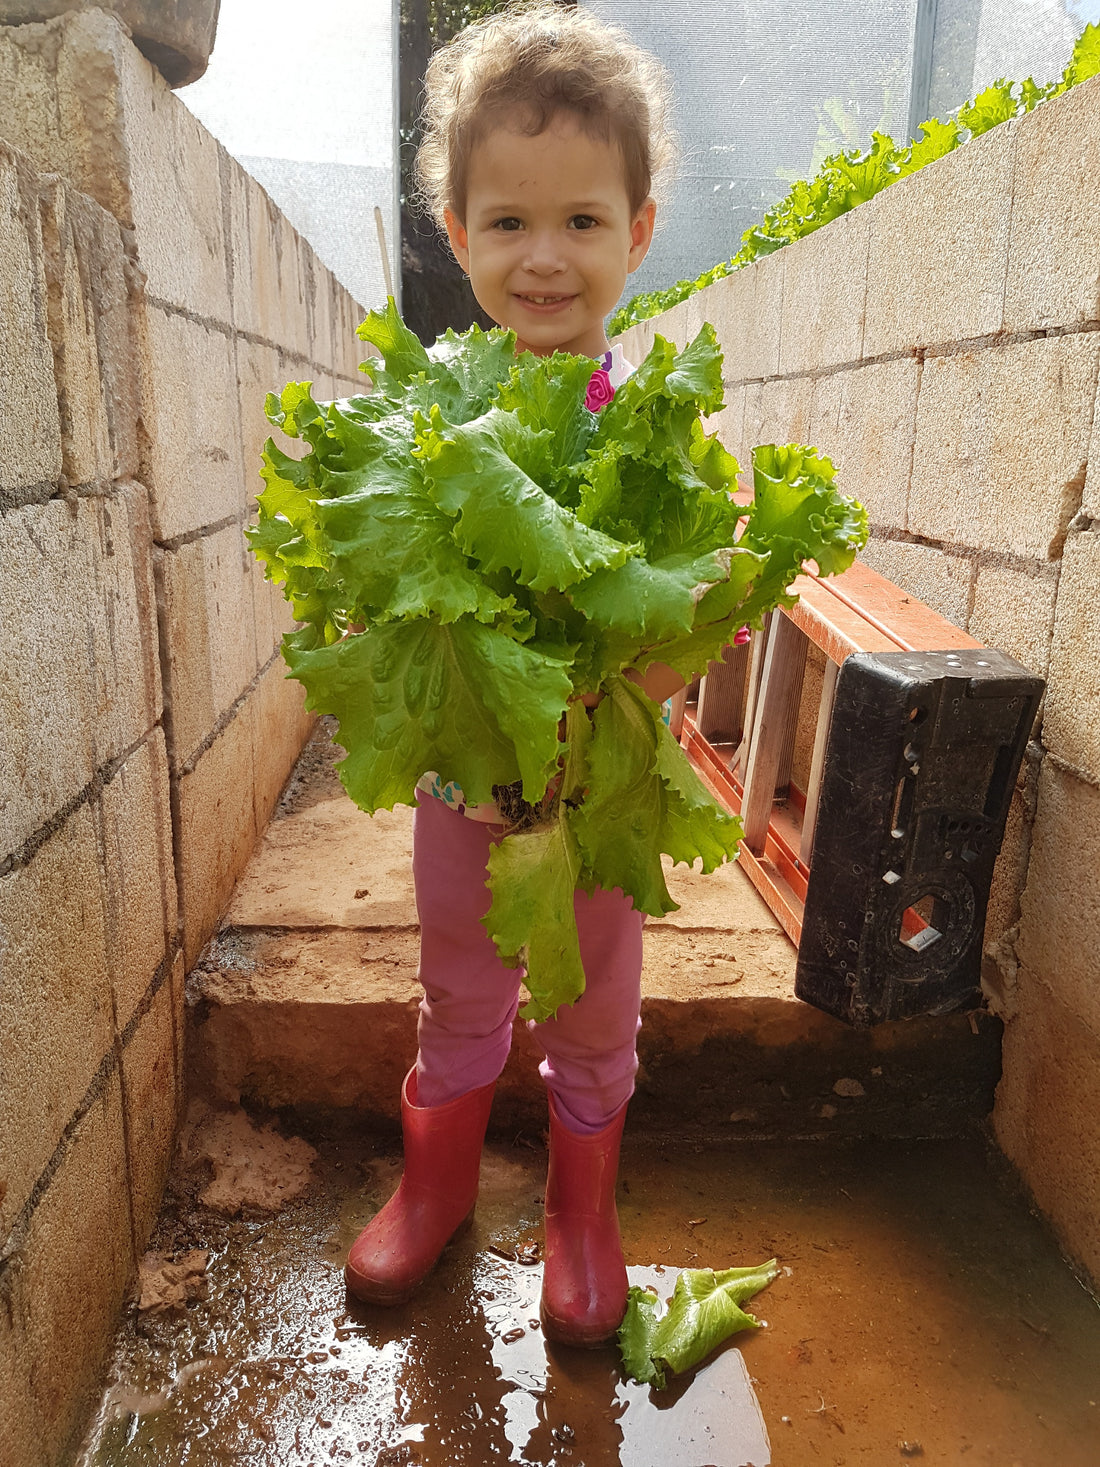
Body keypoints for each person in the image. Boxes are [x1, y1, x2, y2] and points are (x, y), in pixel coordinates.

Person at [344, 0, 683, 1348]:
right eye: (509, 224)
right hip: (466, 798)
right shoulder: (421, 414)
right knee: (462, 994)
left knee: (598, 1013)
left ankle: (580, 1220)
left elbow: (690, 603)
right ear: (456, 234)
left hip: (596, 805)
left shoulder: (652, 425)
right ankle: (435, 1197)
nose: (546, 259)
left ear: (639, 231)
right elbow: (371, 601)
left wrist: (644, 679)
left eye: (584, 222)